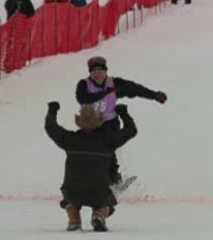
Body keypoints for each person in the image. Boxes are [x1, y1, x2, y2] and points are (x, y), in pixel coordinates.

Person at [44, 102, 137, 232]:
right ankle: (98, 215)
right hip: (99, 192)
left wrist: (52, 111)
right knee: (107, 202)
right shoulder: (108, 140)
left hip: (72, 191)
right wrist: (123, 113)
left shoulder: (70, 139)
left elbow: (51, 127)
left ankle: (74, 219)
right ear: (99, 122)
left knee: (68, 200)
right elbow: (131, 130)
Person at [75, 56, 167, 185]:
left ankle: (115, 183)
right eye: (93, 71)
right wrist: (104, 94)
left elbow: (135, 89)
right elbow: (82, 99)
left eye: (100, 70)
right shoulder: (84, 85)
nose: (97, 74)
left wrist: (154, 95)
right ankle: (87, 181)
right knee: (89, 154)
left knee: (108, 152)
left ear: (106, 71)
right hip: (91, 125)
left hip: (110, 124)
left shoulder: (115, 84)